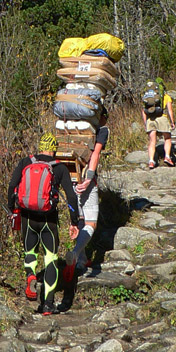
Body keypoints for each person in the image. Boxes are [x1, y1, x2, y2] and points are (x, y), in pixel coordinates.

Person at [7, 132, 79, 315]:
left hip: (27, 217)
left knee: (30, 252)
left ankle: (31, 275)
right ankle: (48, 304)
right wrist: (74, 221)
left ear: (40, 146)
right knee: (51, 259)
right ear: (53, 149)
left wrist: (12, 210)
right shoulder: (59, 168)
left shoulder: (26, 162)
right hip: (49, 220)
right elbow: (71, 197)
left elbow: (12, 186)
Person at [59, 107, 110, 312]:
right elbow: (95, 154)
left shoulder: (69, 127)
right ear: (100, 116)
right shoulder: (101, 130)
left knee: (79, 220)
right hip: (85, 180)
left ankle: (81, 261)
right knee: (90, 223)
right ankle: (75, 254)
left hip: (68, 177)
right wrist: (89, 178)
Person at [142, 81, 176, 169]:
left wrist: (145, 123)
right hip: (162, 118)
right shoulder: (166, 97)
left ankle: (151, 161)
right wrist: (172, 122)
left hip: (150, 119)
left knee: (152, 141)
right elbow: (170, 111)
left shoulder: (147, 97)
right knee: (167, 138)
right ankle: (167, 157)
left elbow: (144, 111)